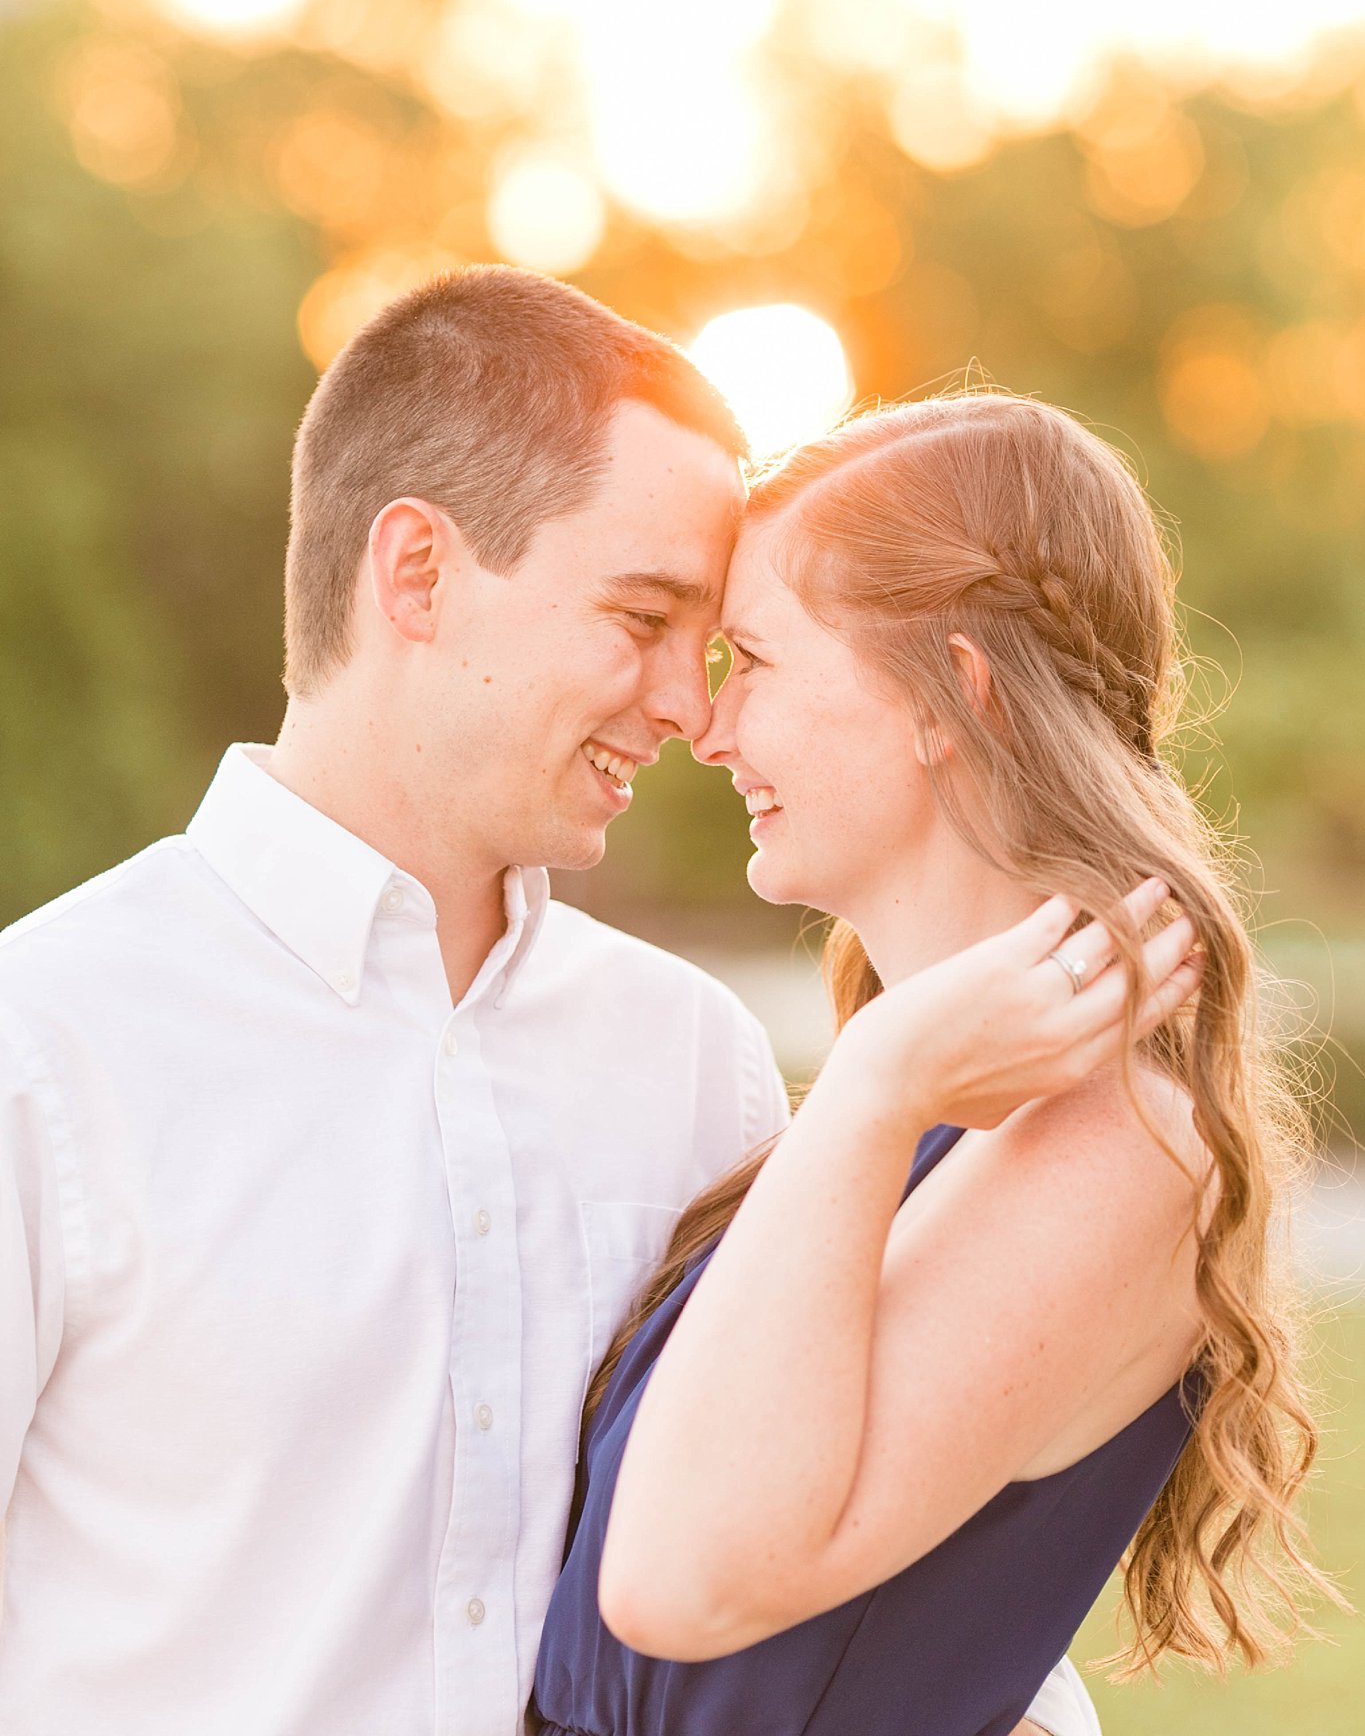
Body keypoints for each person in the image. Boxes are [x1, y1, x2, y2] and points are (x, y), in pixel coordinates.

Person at [0, 272, 1086, 1736]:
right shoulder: (46, 1046)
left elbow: (838, 1540)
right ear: (417, 573)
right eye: (642, 619)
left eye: (708, 646)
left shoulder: (692, 1060)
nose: (688, 709)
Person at [533, 394, 1327, 1736]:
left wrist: (870, 1085)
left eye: (755, 661)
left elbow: (675, 1590)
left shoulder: (1116, 1141)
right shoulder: (928, 1109)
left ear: (947, 693)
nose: (709, 730)